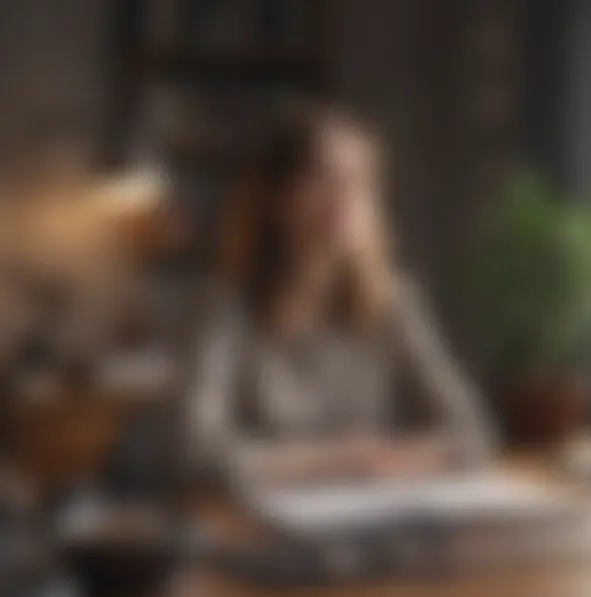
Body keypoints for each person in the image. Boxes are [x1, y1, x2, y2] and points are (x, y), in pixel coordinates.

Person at [189, 104, 494, 488]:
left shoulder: (393, 300)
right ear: (277, 199)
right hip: (261, 529)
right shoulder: (228, 307)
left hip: (372, 522)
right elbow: (196, 453)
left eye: (360, 181)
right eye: (322, 178)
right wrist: (339, 460)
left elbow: (472, 434)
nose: (344, 197)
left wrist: (395, 460)